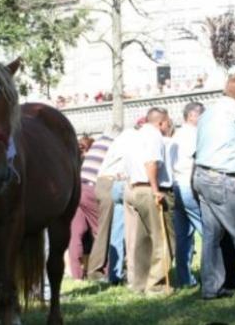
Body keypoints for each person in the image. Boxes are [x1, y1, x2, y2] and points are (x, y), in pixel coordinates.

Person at [194, 73, 235, 300]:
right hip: (224, 177)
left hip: (202, 174)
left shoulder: (208, 112)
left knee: (212, 236)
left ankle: (210, 287)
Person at [123, 107, 175, 294]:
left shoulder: (135, 135)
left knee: (142, 241)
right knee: (162, 238)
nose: (168, 126)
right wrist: (155, 190)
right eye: (167, 122)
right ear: (161, 122)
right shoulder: (154, 136)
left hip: (134, 188)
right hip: (149, 188)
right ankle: (157, 285)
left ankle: (140, 283)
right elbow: (151, 162)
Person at [87, 124, 139, 284]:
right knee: (106, 230)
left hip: (103, 182)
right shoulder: (131, 139)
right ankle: (95, 271)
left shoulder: (117, 140)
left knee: (112, 230)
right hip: (110, 183)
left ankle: (112, 271)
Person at [69, 133, 112, 279]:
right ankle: (104, 272)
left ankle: (76, 275)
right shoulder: (113, 145)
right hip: (93, 189)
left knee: (76, 233)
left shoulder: (98, 143)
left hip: (79, 188)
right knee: (101, 231)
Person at [170, 102, 204, 288]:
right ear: (192, 116)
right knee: (208, 232)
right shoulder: (192, 134)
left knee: (183, 236)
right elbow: (196, 161)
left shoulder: (177, 134)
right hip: (188, 184)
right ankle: (211, 276)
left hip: (176, 184)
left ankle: (184, 279)